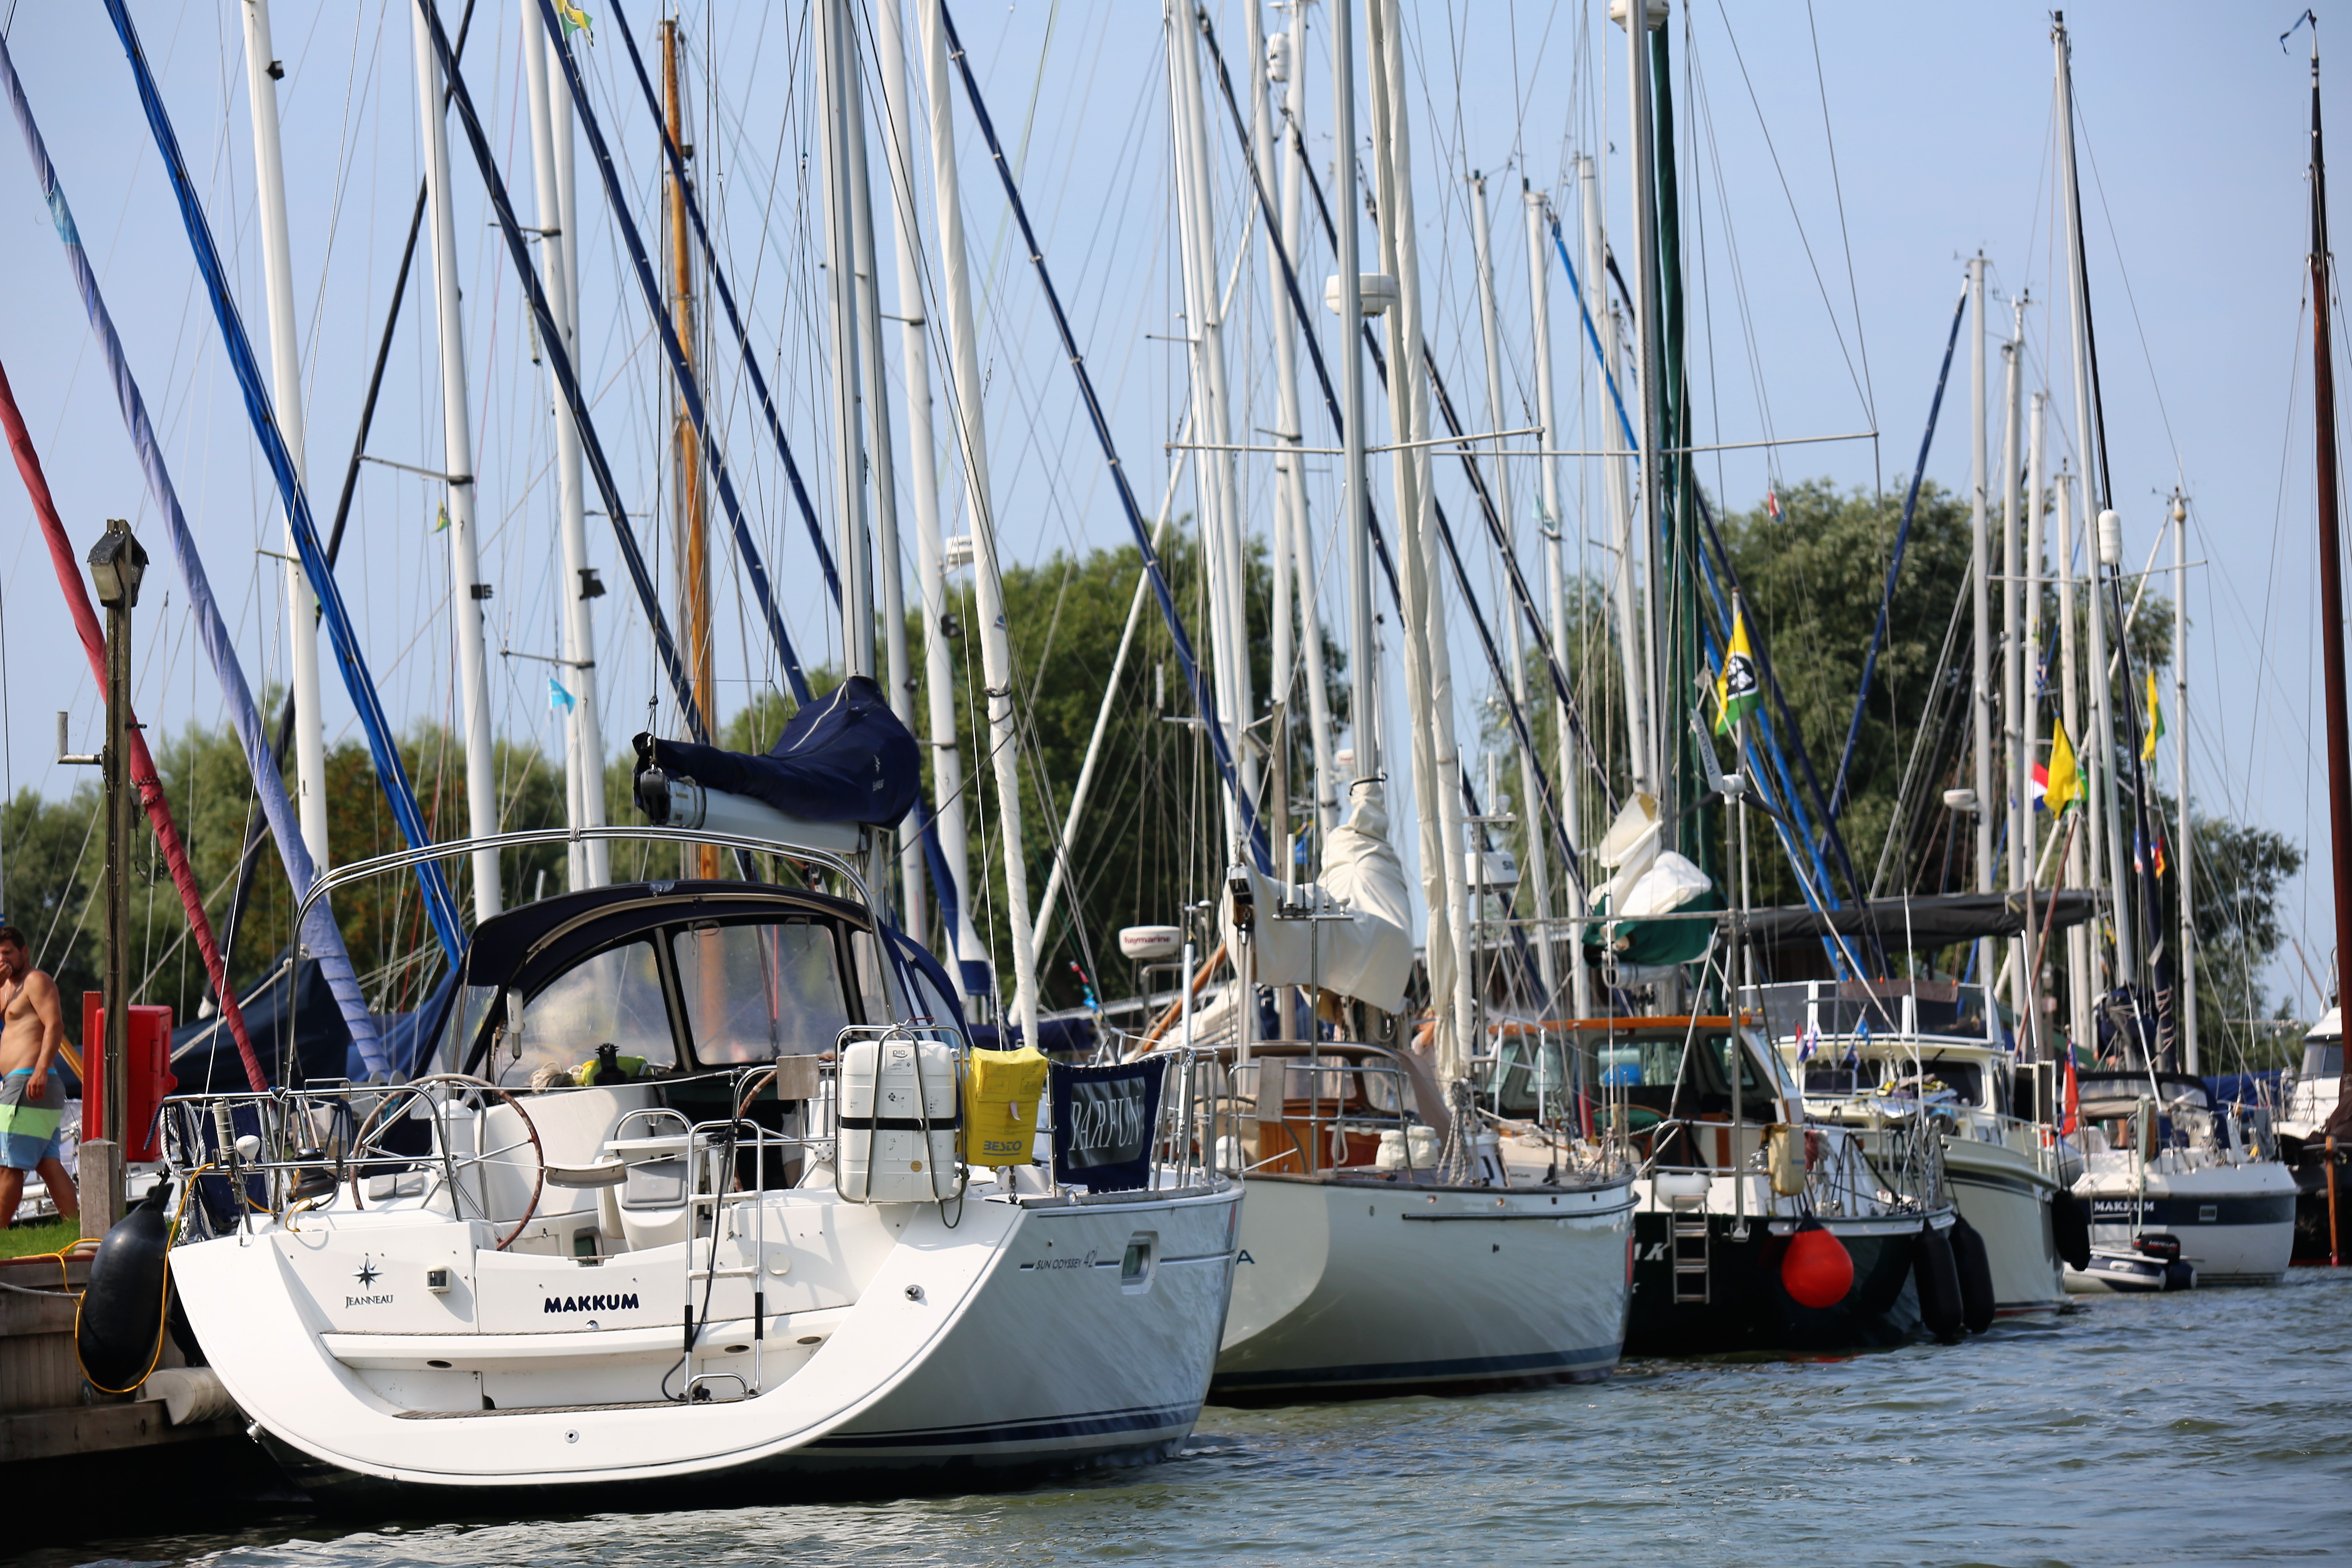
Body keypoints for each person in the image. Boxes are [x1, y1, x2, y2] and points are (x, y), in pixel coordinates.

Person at [0, 924, 78, 1228]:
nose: (4, 959)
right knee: (48, 1164)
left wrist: (41, 1070)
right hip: (24, 1084)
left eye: (8, 953)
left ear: (24, 952)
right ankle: (76, 1229)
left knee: (9, 1166)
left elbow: (55, 1026)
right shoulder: (7, 988)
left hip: (29, 1080)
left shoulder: (36, 981)